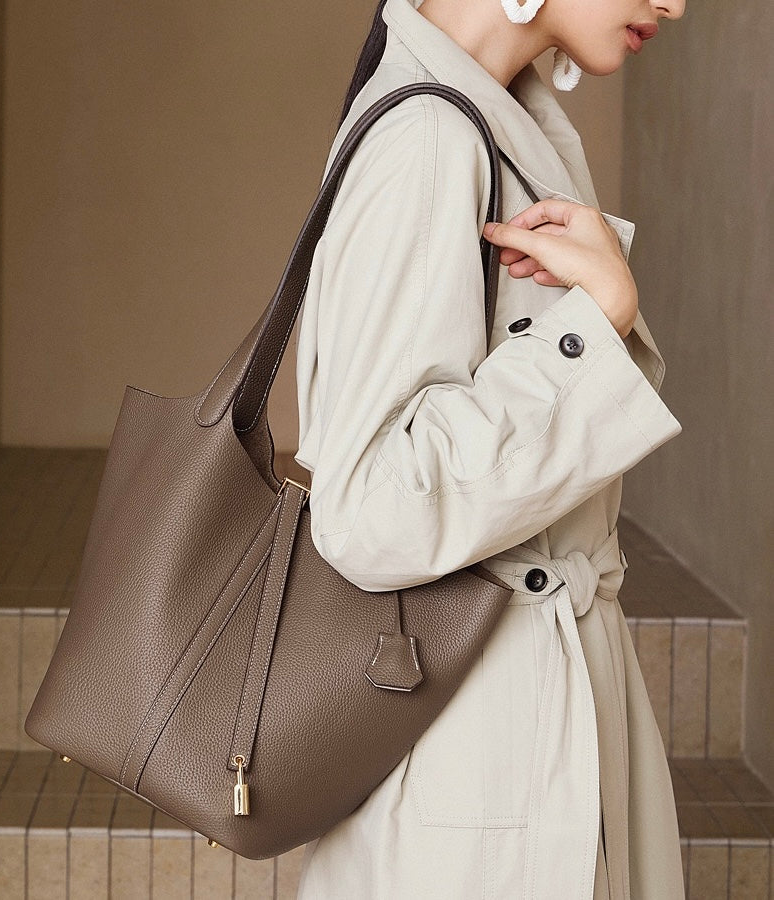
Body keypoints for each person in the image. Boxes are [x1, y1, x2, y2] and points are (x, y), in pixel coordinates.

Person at [291, 0, 687, 897]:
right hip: (480, 747)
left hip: (526, 708)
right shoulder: (429, 138)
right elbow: (370, 507)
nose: (675, 2)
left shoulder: (491, 117)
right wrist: (591, 330)